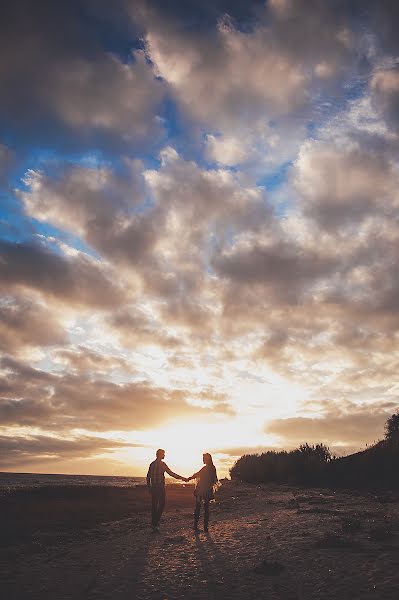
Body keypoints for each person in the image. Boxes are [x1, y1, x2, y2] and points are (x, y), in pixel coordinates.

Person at [146, 448, 186, 532]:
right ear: (160, 454)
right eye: (163, 454)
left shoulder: (152, 464)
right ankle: (155, 523)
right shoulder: (162, 464)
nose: (164, 455)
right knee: (161, 505)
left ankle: (154, 524)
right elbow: (171, 474)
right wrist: (182, 478)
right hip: (160, 488)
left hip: (154, 487)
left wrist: (149, 487)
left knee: (154, 506)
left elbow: (148, 476)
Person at [187, 453, 218, 533]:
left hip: (201, 490)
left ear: (207, 459)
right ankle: (205, 527)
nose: (203, 459)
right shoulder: (212, 468)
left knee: (198, 507)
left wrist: (188, 478)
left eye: (204, 458)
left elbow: (197, 474)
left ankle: (196, 526)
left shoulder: (206, 468)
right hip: (207, 490)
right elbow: (214, 479)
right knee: (206, 508)